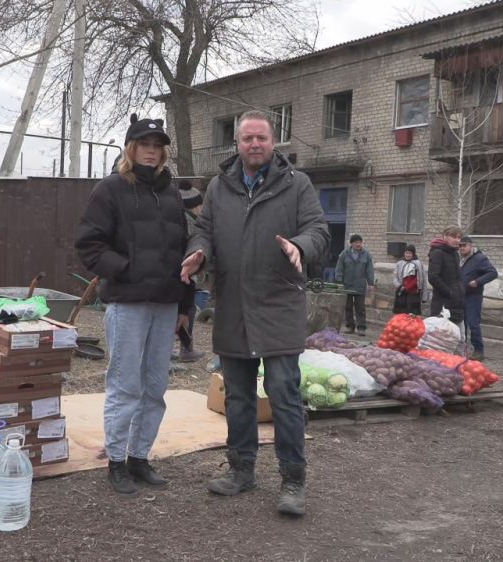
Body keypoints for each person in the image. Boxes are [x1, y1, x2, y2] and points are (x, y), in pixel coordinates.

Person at [181, 109, 329, 516]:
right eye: (247, 139)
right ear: (238, 144)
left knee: (283, 394)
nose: (255, 145)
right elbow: (204, 230)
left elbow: (318, 229)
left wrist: (301, 245)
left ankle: (293, 481)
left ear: (273, 142)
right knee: (239, 397)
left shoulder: (297, 184)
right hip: (231, 305)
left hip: (279, 303)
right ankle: (241, 470)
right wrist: (198, 251)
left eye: (261, 138)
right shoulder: (219, 187)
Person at [75, 113, 194, 496]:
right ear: (132, 148)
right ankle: (115, 461)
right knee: (125, 385)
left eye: (158, 147)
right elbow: (89, 245)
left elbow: (185, 252)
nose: (152, 152)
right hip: (127, 302)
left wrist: (185, 307)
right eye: (145, 145)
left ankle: (139, 457)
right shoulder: (110, 189)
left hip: (165, 304)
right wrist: (126, 270)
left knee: (155, 386)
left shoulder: (172, 193)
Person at [173, 180, 206, 363]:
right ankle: (185, 348)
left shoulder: (177, 217)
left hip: (178, 272)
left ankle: (178, 347)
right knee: (186, 310)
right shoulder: (189, 222)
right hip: (185, 271)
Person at [458, 236, 498, 360]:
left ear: (471, 246)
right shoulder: (462, 259)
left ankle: (479, 350)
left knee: (473, 323)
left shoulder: (479, 258)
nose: (462, 248)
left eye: (464, 245)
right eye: (460, 246)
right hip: (461, 295)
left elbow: (492, 273)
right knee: (461, 323)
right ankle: (463, 349)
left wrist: (478, 281)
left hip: (473, 296)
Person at [335, 234, 375, 336]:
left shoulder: (366, 255)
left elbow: (369, 270)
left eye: (360, 242)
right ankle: (350, 326)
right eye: (356, 242)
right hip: (347, 285)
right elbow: (339, 268)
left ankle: (361, 328)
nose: (358, 244)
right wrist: (339, 281)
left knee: (360, 307)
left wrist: (370, 282)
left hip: (359, 285)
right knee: (348, 307)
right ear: (351, 243)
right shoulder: (344, 254)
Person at [428, 226, 464, 326]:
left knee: (459, 338)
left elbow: (456, 278)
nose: (457, 240)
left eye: (459, 237)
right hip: (442, 305)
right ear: (445, 237)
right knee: (443, 339)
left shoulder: (455, 254)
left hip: (457, 304)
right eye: (454, 237)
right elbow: (433, 277)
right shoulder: (437, 253)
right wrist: (449, 292)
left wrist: (461, 291)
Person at [392, 244, 427, 315]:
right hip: (402, 293)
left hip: (414, 294)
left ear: (413, 254)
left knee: (412, 316)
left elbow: (423, 280)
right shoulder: (399, 264)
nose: (408, 255)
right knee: (401, 316)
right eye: (406, 253)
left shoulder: (419, 264)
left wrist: (424, 297)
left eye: (410, 253)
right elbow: (395, 278)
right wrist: (399, 286)